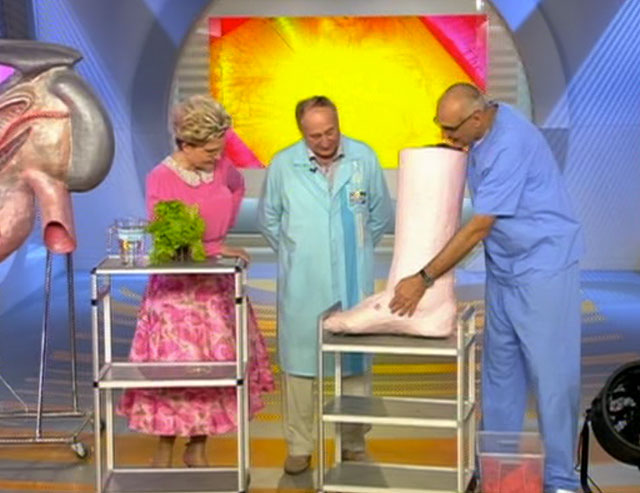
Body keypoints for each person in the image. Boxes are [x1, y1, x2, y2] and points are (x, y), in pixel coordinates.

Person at [389, 83, 584, 493]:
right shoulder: (483, 131)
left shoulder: (510, 144)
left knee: (551, 376)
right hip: (506, 266)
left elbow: (479, 226)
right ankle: (498, 471)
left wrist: (423, 278)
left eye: (451, 129)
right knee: (500, 373)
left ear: (477, 118)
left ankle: (560, 480)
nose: (446, 136)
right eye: (441, 127)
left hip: (543, 266)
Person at [117, 94, 274, 467]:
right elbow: (168, 238)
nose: (216, 157)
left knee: (211, 369)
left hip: (216, 287)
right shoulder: (161, 178)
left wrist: (221, 237)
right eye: (208, 150)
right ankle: (164, 448)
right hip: (177, 293)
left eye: (219, 149)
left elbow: (237, 187)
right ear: (185, 144)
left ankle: (198, 447)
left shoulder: (222, 168)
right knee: (173, 370)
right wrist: (210, 246)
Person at [258, 96, 392, 475]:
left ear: (338, 123)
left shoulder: (363, 157)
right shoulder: (284, 164)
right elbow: (269, 219)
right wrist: (298, 252)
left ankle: (353, 443)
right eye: (315, 136)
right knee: (300, 367)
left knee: (354, 368)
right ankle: (300, 446)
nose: (325, 141)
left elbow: (380, 214)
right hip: (303, 282)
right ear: (302, 133)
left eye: (330, 132)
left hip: (352, 281)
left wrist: (356, 250)